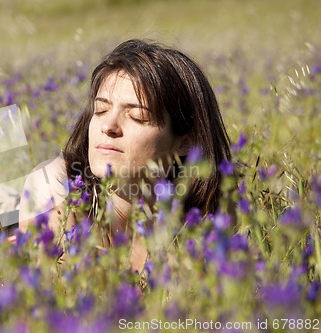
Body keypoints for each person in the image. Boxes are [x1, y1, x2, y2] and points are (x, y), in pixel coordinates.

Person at [18, 39, 232, 272]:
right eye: (100, 110)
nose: (108, 125)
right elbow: (60, 295)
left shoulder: (206, 223)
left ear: (187, 142)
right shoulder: (56, 182)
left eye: (137, 116)